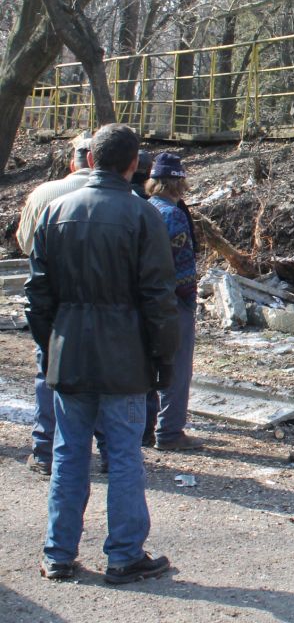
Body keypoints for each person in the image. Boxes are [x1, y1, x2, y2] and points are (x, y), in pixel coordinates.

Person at [26, 123, 180, 584]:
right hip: (125, 356)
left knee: (68, 453)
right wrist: (163, 358)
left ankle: (58, 553)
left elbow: (37, 296)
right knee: (125, 456)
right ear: (134, 165)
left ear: (90, 159)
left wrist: (52, 344)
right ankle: (124, 554)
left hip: (69, 350)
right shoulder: (143, 216)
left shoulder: (54, 211)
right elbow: (159, 298)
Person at [16, 135, 93, 475]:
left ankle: (45, 450)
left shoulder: (43, 194)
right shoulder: (125, 198)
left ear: (74, 161)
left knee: (48, 373)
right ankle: (108, 451)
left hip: (52, 302)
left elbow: (25, 244)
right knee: (104, 380)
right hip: (105, 305)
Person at [144, 152, 202, 451]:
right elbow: (183, 265)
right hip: (173, 301)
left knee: (146, 367)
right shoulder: (174, 215)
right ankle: (169, 432)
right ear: (179, 183)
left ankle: (145, 429)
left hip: (144, 300)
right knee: (177, 367)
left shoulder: (144, 209)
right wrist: (190, 299)